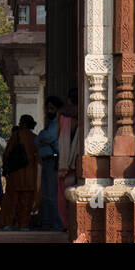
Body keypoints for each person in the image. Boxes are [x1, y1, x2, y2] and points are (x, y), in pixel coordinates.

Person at [1, 114, 39, 229]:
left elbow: (7, 154)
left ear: (22, 124)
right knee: (26, 203)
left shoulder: (16, 136)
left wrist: (5, 169)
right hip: (30, 176)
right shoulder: (35, 138)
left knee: (12, 202)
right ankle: (24, 224)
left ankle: (8, 223)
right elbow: (38, 159)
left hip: (15, 176)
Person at [36, 95, 63, 230]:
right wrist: (43, 138)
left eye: (52, 108)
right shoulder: (50, 126)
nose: (49, 111)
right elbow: (38, 140)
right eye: (47, 108)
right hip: (46, 161)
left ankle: (56, 223)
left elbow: (49, 137)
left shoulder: (57, 124)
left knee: (53, 194)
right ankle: (48, 222)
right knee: (46, 194)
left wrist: (43, 138)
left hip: (54, 160)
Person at [57, 89, 82, 230]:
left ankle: (66, 224)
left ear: (69, 100)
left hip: (64, 164)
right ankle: (75, 223)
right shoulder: (82, 115)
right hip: (78, 162)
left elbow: (58, 135)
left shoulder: (62, 116)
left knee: (63, 195)